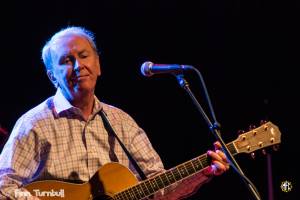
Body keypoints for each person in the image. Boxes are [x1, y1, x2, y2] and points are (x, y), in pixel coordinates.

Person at [0, 26, 229, 200]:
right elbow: (3, 187)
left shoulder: (122, 123)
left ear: (98, 64)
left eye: (84, 56)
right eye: (67, 61)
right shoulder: (34, 124)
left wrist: (205, 171)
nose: (79, 66)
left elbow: (160, 189)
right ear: (52, 76)